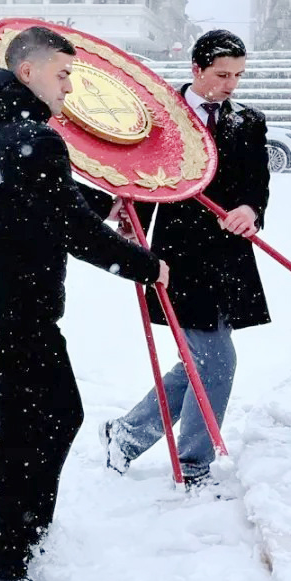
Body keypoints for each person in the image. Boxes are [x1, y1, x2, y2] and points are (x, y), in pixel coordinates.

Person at [0, 25, 169, 581]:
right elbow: (70, 226)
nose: (71, 88)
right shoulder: (32, 138)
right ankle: (6, 567)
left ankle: (25, 537)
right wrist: (146, 266)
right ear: (29, 72)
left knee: (41, 420)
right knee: (38, 425)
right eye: (64, 74)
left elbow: (44, 200)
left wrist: (109, 203)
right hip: (14, 303)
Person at [103, 29, 270, 489]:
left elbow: (257, 184)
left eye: (238, 75)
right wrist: (129, 222)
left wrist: (249, 209)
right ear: (196, 70)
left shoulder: (249, 122)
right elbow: (140, 179)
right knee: (216, 363)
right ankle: (195, 465)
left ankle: (127, 435)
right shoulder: (162, 119)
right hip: (179, 261)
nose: (231, 85)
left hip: (231, 259)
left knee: (197, 362)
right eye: (221, 74)